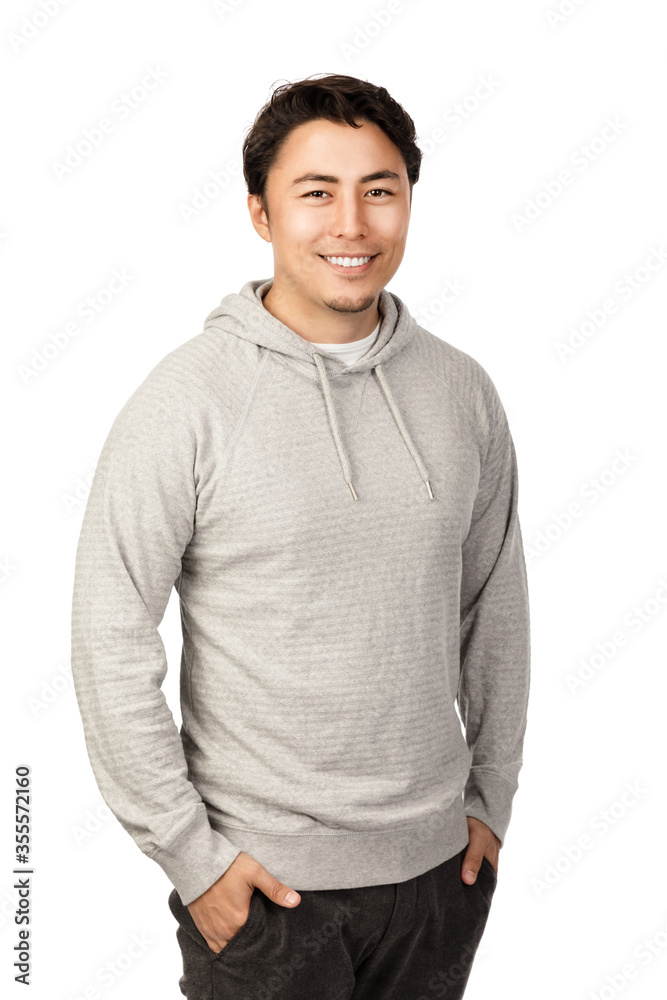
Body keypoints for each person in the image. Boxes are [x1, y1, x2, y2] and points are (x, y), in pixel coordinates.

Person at [70, 72, 531, 999]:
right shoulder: (188, 401)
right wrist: (191, 856)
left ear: (408, 201)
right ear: (260, 212)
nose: (351, 224)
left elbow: (494, 607)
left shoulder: (461, 392)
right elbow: (107, 633)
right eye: (316, 192)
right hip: (265, 891)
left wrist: (490, 800)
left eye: (378, 190)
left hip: (438, 875)